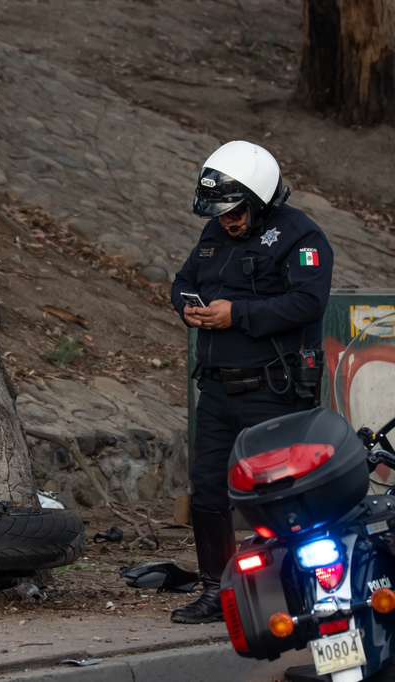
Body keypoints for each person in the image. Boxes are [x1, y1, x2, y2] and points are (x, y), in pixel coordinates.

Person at [169, 140, 334, 624]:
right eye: (221, 212)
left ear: (261, 201)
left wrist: (236, 314)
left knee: (281, 494)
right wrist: (188, 307)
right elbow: (181, 281)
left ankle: (302, 589)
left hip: (273, 389)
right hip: (218, 389)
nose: (228, 221)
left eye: (237, 212)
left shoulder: (302, 237)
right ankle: (218, 592)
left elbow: (308, 303)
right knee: (207, 493)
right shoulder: (213, 234)